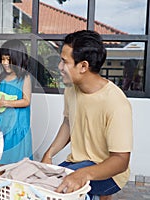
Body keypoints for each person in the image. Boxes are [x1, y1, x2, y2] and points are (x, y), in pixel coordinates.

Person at [41, 30, 133, 200]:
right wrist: (49, 154)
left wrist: (83, 175)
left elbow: (121, 161)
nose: (60, 67)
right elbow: (69, 123)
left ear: (83, 66)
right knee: (42, 181)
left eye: (64, 62)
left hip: (111, 172)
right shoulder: (71, 90)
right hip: (78, 162)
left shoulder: (116, 103)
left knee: (53, 190)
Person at [0, 39, 33, 166]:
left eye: (8, 59)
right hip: (3, 123)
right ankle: (0, 183)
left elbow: (26, 101)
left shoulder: (25, 77)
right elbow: (2, 96)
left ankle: (14, 183)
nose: (5, 63)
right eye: (3, 59)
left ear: (18, 59)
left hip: (17, 124)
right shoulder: (3, 78)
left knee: (17, 162)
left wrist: (4, 103)